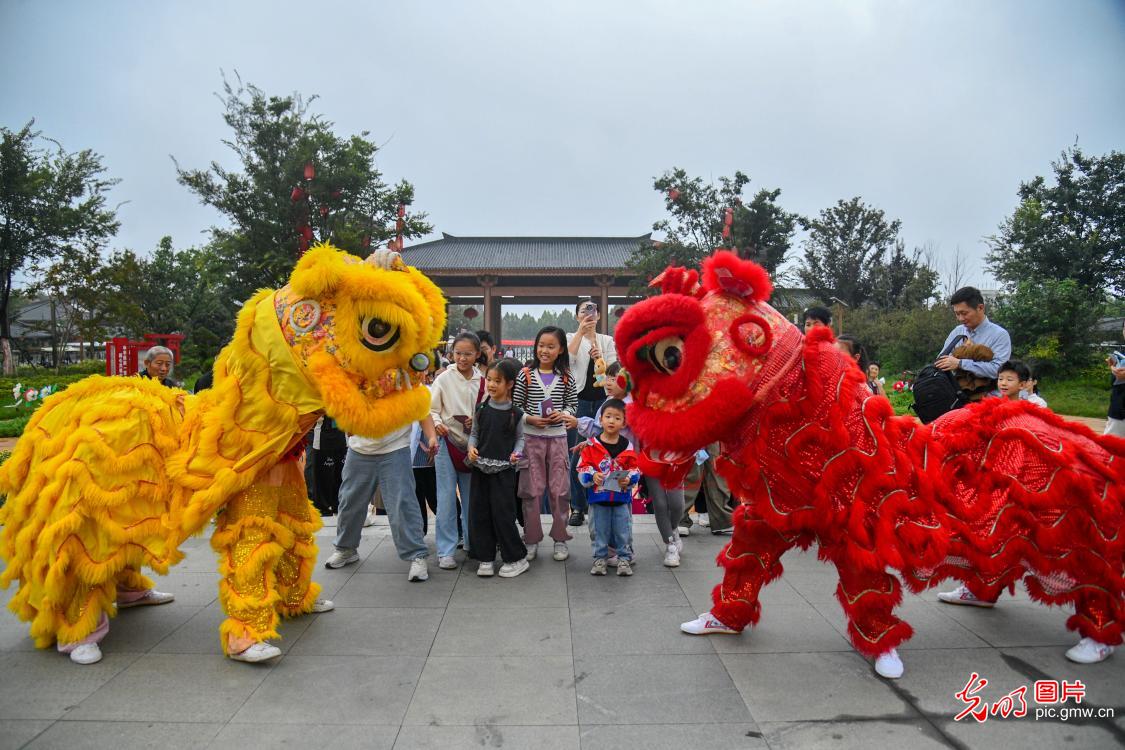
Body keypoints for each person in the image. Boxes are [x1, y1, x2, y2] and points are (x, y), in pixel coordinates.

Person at [326, 416, 439, 582]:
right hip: (359, 450)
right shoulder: (356, 387)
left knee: (403, 503)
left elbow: (423, 412)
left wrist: (432, 436)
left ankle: (417, 554)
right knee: (349, 501)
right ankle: (346, 548)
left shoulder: (407, 388)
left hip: (396, 449)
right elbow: (341, 408)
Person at [514, 326, 578, 562]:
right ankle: (531, 539)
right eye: (541, 345)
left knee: (560, 490)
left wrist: (563, 414)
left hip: (558, 439)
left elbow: (572, 404)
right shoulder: (526, 374)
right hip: (531, 439)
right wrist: (529, 418)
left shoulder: (566, 376)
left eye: (551, 346)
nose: (545, 350)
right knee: (531, 490)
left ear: (560, 349)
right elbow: (515, 405)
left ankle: (560, 538)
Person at [466, 358, 529, 578]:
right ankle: (486, 558)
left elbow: (521, 439)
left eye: (497, 381)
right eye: (489, 380)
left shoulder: (516, 413)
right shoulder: (481, 409)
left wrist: (516, 453)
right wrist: (471, 448)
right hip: (480, 469)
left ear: (510, 384)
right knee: (480, 512)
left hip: (504, 470)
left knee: (503, 514)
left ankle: (516, 558)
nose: (492, 385)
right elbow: (474, 434)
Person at [429, 332, 485, 569]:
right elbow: (430, 410)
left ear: (477, 355)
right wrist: (438, 423)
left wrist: (477, 422)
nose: (462, 358)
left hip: (473, 446)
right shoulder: (443, 379)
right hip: (446, 443)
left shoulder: (483, 380)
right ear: (452, 354)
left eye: (468, 354)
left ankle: (473, 543)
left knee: (473, 498)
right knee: (445, 498)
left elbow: (488, 410)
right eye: (458, 353)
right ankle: (446, 550)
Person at [566, 299, 618, 527]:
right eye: (584, 310)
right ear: (577, 316)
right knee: (578, 454)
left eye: (593, 310)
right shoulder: (570, 337)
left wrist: (600, 357)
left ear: (598, 315)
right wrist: (580, 332)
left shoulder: (607, 340)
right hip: (578, 401)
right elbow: (567, 360)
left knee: (607, 452)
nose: (589, 313)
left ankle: (607, 500)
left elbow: (614, 371)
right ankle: (577, 507)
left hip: (603, 402)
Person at [577, 399, 640, 576]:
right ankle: (599, 559)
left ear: (624, 422)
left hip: (621, 499)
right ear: (600, 420)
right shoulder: (591, 445)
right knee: (599, 530)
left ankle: (624, 559)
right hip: (598, 498)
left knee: (623, 530)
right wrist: (591, 475)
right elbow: (581, 467)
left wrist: (630, 478)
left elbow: (635, 468)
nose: (612, 421)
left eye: (617, 418)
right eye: (608, 417)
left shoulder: (627, 446)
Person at [934, 287, 1011, 387]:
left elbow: (999, 370)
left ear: (980, 308)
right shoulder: (957, 331)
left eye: (964, 313)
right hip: (957, 396)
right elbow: (940, 361)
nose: (960, 318)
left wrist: (961, 363)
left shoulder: (999, 335)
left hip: (988, 397)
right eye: (957, 314)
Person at [1105, 321, 1125, 438]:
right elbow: (1114, 382)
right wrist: (1113, 368)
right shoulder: (1121, 353)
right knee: (1109, 449)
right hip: (1119, 409)